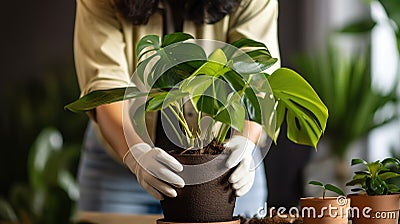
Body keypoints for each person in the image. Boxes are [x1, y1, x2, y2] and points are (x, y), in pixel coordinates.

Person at [73, 0, 281, 216]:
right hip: (119, 165)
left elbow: (256, 78)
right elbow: (106, 87)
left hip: (225, 166)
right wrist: (136, 155)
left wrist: (245, 141)